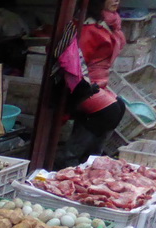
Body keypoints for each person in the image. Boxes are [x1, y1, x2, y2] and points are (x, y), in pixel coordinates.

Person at [55, 0, 126, 167]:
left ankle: (91, 162)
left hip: (98, 83)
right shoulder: (87, 27)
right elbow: (74, 65)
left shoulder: (110, 24)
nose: (116, 0)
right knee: (109, 111)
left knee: (119, 107)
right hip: (78, 85)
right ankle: (67, 160)